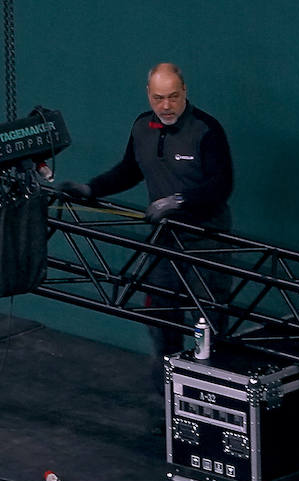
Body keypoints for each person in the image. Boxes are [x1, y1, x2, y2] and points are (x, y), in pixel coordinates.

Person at [60, 62, 234, 386]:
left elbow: (221, 185)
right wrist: (91, 188)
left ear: (185, 93)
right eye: (158, 98)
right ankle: (167, 387)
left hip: (206, 242)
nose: (166, 106)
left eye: (173, 97)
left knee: (209, 318)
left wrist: (179, 202)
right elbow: (129, 169)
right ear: (148, 95)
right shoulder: (142, 127)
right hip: (163, 240)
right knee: (159, 313)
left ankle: (212, 389)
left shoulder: (207, 130)